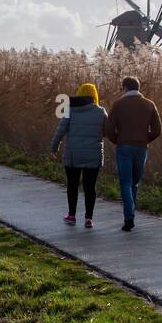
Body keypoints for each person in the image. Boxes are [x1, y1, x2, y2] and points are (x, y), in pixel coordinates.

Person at [104, 75, 162, 232]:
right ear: (138, 88)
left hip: (124, 148)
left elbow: (109, 129)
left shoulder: (118, 105)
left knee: (125, 183)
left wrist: (118, 140)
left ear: (124, 87)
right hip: (141, 148)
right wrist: (145, 140)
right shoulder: (150, 104)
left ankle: (129, 217)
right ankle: (131, 212)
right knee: (134, 183)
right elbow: (157, 130)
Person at [50, 82, 106, 229]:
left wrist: (54, 147)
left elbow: (60, 130)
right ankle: (88, 219)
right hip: (93, 155)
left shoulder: (69, 109)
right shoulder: (101, 112)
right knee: (90, 187)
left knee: (72, 185)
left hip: (73, 155)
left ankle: (72, 215)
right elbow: (106, 132)